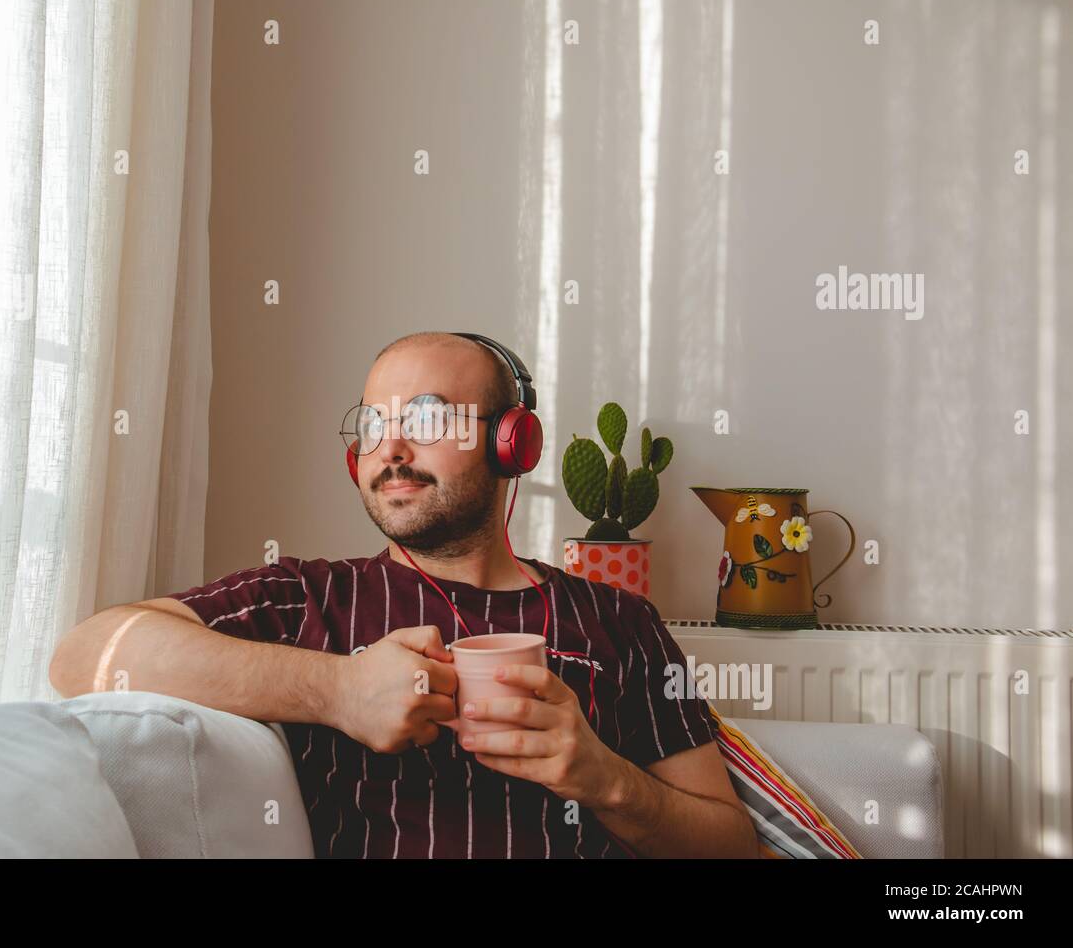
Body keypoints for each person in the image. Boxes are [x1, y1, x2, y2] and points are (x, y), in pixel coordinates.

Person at [49, 331, 757, 858]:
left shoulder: (620, 620)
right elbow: (85, 657)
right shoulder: (307, 598)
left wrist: (605, 779)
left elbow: (732, 847)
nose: (390, 449)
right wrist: (338, 689)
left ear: (513, 444)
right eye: (375, 425)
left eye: (426, 420)